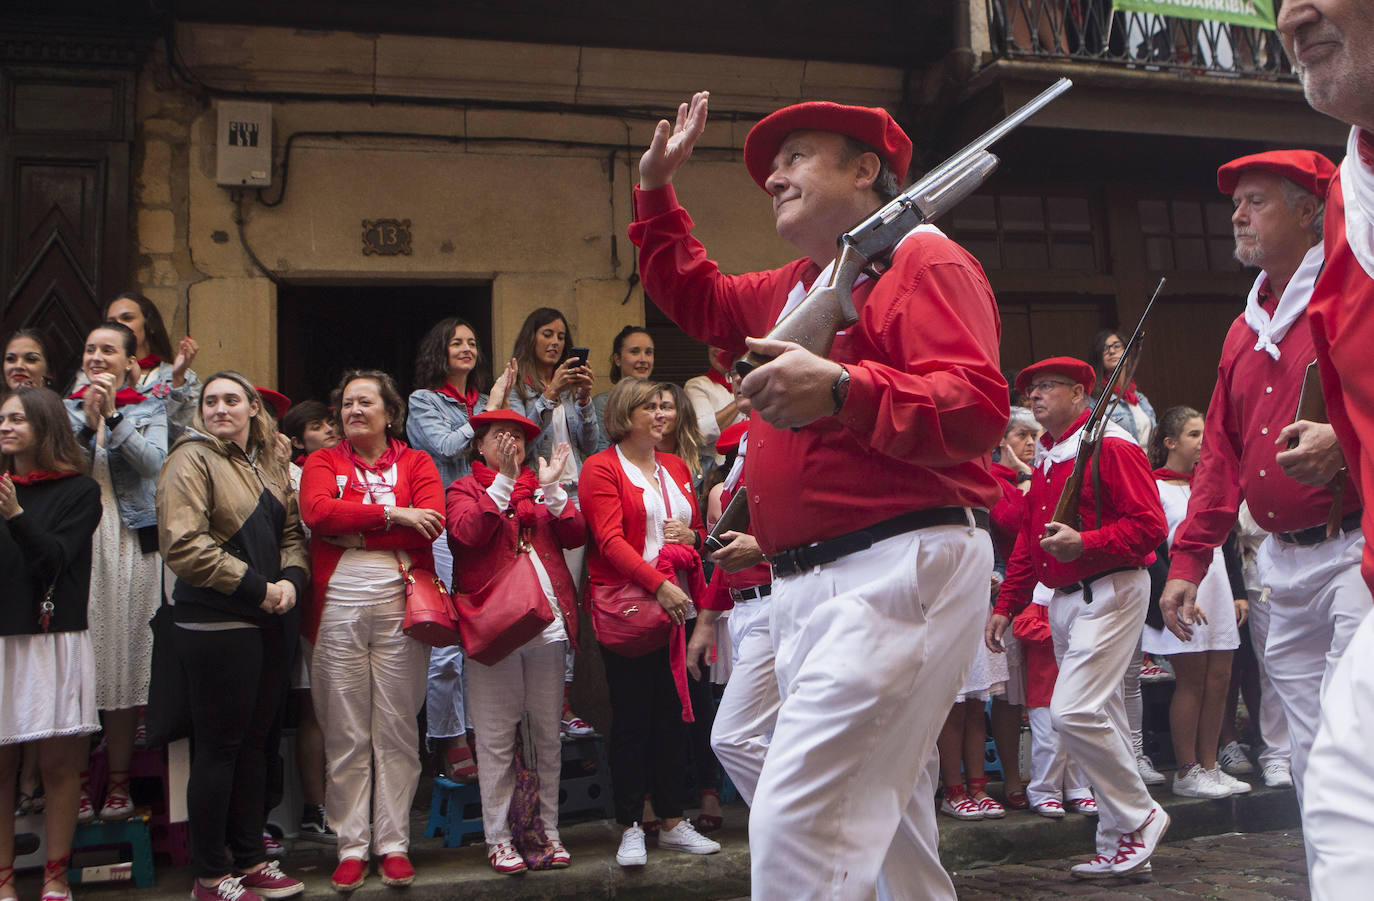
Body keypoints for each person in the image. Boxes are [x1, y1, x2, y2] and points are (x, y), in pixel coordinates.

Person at [630, 91, 1005, 899]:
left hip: (892, 566)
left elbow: (974, 407)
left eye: (797, 155)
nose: (772, 176)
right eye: (773, 164)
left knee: (798, 823)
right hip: (821, 584)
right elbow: (694, 296)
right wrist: (656, 189)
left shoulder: (924, 258)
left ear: (867, 170)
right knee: (890, 838)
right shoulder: (801, 284)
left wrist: (841, 388)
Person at [1156, 151, 1360, 869]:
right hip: (1280, 562)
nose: (1237, 216)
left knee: (1354, 730)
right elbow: (1217, 455)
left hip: (1353, 550)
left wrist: (1348, 438)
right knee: (1306, 743)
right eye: (1235, 204)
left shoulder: (1352, 297)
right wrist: (1188, 560)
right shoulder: (1242, 332)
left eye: (1255, 201)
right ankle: (1335, 874)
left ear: (1310, 210)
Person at [987, 356, 1168, 878]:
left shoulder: (1111, 445)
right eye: (1032, 387)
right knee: (1102, 714)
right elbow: (1029, 539)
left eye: (1048, 386)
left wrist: (1085, 542)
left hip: (1108, 589)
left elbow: (1150, 527)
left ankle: (1139, 816)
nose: (1036, 395)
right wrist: (1008, 603)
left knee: (1074, 712)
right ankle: (1121, 843)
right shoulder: (1047, 454)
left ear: (1079, 394)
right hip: (1066, 596)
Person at [1276, 3, 1374, 892]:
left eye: (1254, 201)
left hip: (1346, 554)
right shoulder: (1357, 187)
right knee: (1341, 782)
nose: (1291, 11)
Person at [157, 372, 309, 901]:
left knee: (256, 745)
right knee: (219, 749)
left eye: (231, 400)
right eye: (210, 401)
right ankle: (210, 874)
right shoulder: (189, 458)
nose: (220, 408)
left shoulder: (267, 463)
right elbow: (184, 546)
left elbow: (291, 532)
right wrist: (257, 588)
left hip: (270, 621)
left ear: (252, 410)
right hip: (217, 620)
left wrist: (291, 580)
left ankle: (249, 859)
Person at [298, 370, 444, 893]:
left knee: (398, 725)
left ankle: (394, 843)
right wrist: (392, 513)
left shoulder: (417, 461)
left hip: (401, 597)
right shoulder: (321, 461)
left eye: (365, 403)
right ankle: (351, 845)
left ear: (389, 413)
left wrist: (356, 529)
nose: (353, 411)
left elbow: (432, 518)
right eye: (346, 404)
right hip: (336, 597)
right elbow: (316, 513)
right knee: (344, 728)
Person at [580, 378, 721, 869]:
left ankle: (672, 821)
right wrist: (658, 584)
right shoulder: (601, 468)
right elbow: (610, 541)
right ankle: (630, 826)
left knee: (673, 717)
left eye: (665, 407)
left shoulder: (678, 466)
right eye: (650, 407)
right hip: (633, 608)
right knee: (633, 719)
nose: (662, 415)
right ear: (625, 414)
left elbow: (698, 533)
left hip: (679, 606)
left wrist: (692, 534)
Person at [445, 409, 585, 874]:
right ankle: (500, 838)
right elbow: (468, 533)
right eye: (498, 436)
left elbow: (576, 534)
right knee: (496, 737)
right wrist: (503, 483)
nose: (510, 443)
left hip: (547, 625)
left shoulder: (539, 489)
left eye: (518, 437)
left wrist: (550, 489)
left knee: (547, 734)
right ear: (478, 446)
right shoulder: (464, 489)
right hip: (494, 627)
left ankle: (547, 831)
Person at [64, 320, 168, 824]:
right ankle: (79, 781)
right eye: (91, 349)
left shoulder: (150, 408)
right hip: (78, 543)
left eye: (109, 350)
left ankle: (121, 783)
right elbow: (59, 467)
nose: (98, 357)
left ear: (132, 362)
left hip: (132, 542)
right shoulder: (60, 411)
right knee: (81, 662)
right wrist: (86, 422)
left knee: (126, 658)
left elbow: (154, 465)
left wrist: (115, 418)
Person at [0, 387, 102, 901]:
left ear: (44, 424)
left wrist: (17, 515)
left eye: (18, 418)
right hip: (0, 639)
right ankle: (3, 882)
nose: (6, 426)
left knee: (59, 765)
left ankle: (55, 877)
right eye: (3, 419)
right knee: (1, 764)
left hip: (51, 638)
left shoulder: (79, 492)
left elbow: (54, 561)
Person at [406, 317, 513, 784]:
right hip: (445, 526)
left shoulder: (484, 397)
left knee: (489, 635)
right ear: (439, 350)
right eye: (456, 342)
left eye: (472, 342)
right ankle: (449, 739)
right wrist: (490, 411)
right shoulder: (424, 400)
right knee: (447, 644)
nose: (466, 348)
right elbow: (447, 447)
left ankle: (481, 730)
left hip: (488, 522)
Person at [1144, 406, 1247, 799]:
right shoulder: (1156, 487)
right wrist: (1177, 586)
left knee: (1220, 681)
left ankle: (1210, 764)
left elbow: (1228, 539)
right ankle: (1186, 769)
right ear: (1170, 442)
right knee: (1192, 681)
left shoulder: (1210, 483)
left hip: (1218, 584)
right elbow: (1154, 548)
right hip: (1183, 588)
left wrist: (1237, 592)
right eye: (1193, 434)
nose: (1203, 441)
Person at [505, 308, 598, 736]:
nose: (556, 343)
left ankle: (562, 704)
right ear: (531, 338)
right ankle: (531, 705)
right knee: (536, 597)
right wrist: (550, 396)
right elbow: (520, 440)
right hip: (532, 498)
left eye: (562, 336)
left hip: (571, 496)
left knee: (567, 602)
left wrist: (582, 402)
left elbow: (587, 444)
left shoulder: (567, 390)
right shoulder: (518, 388)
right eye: (547, 334)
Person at [1089, 328, 1161, 786]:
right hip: (1116, 505)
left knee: (1130, 675)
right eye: (1109, 350)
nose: (1116, 355)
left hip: (1145, 488)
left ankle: (1136, 754)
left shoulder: (1143, 401)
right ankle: (1107, 766)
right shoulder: (1100, 406)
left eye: (1121, 348)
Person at [276, 400, 339, 842]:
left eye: (330, 423)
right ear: (297, 440)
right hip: (308, 598)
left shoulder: (345, 467)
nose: (330, 431)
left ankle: (348, 802)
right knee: (315, 709)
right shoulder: (292, 477)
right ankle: (316, 808)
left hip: (347, 593)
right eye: (317, 428)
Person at [69, 293, 199, 435]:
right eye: (111, 322)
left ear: (150, 325)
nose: (118, 324)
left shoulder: (182, 377)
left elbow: (189, 432)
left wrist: (178, 381)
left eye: (127, 318)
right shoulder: (92, 373)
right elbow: (75, 429)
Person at [592, 325, 655, 452]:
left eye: (648, 352)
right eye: (635, 352)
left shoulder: (662, 399)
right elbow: (599, 451)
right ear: (617, 359)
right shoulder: (603, 403)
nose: (643, 359)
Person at [683, 347, 745, 465]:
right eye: (712, 344)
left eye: (723, 344)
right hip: (717, 472)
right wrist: (742, 398)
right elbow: (700, 433)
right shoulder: (697, 385)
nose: (717, 349)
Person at [4, 330, 54, 394]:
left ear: (49, 370)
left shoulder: (63, 404)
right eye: (10, 359)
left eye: (31, 359)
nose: (18, 366)